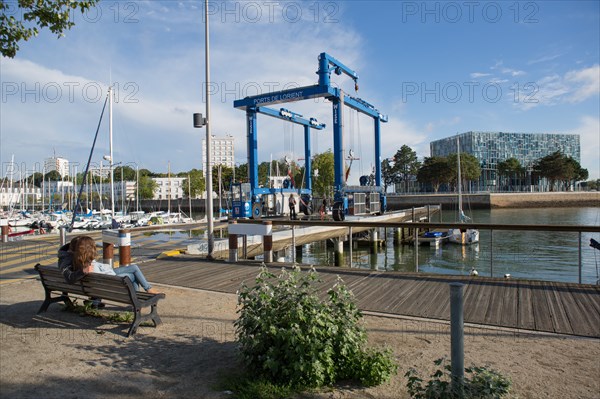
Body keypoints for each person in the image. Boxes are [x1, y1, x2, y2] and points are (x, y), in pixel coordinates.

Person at [59, 235, 160, 294]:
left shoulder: (74, 257)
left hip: (98, 280)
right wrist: (83, 271)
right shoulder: (71, 259)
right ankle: (143, 293)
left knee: (133, 268)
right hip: (105, 280)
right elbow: (69, 277)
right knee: (133, 274)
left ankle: (146, 290)